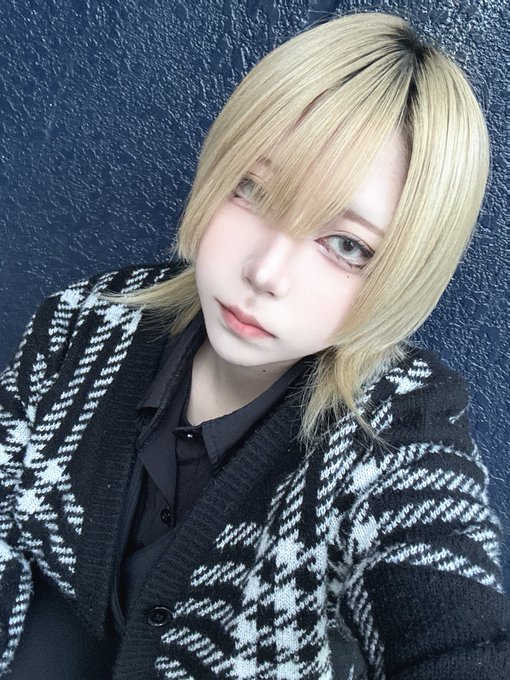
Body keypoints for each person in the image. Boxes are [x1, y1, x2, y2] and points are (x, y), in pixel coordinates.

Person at [0, 11, 508, 680]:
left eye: (346, 245)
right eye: (254, 191)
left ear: (404, 270)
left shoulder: (398, 431)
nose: (266, 273)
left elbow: (455, 634)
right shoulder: (82, 324)